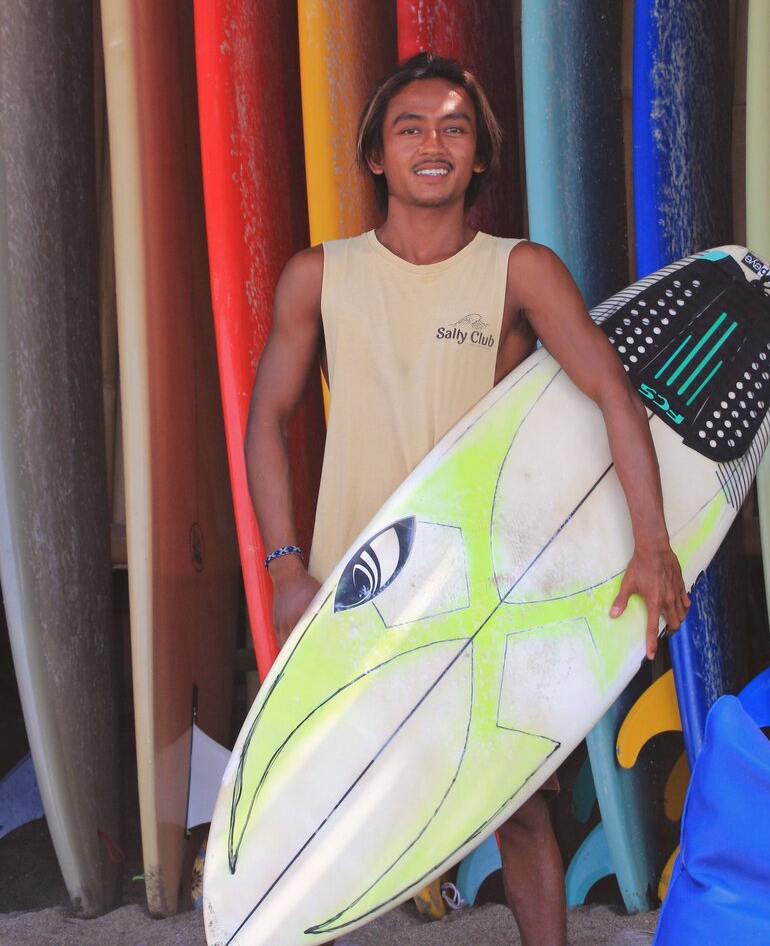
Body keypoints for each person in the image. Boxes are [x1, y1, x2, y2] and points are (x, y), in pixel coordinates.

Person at [244, 51, 690, 946]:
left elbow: (613, 393)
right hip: (357, 590)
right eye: (410, 128)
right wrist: (288, 566)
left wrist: (653, 544)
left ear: (480, 155)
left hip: (480, 591)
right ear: (377, 155)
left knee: (516, 805)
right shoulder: (319, 275)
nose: (433, 143)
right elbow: (267, 420)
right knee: (320, 807)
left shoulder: (519, 270)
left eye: (454, 128)